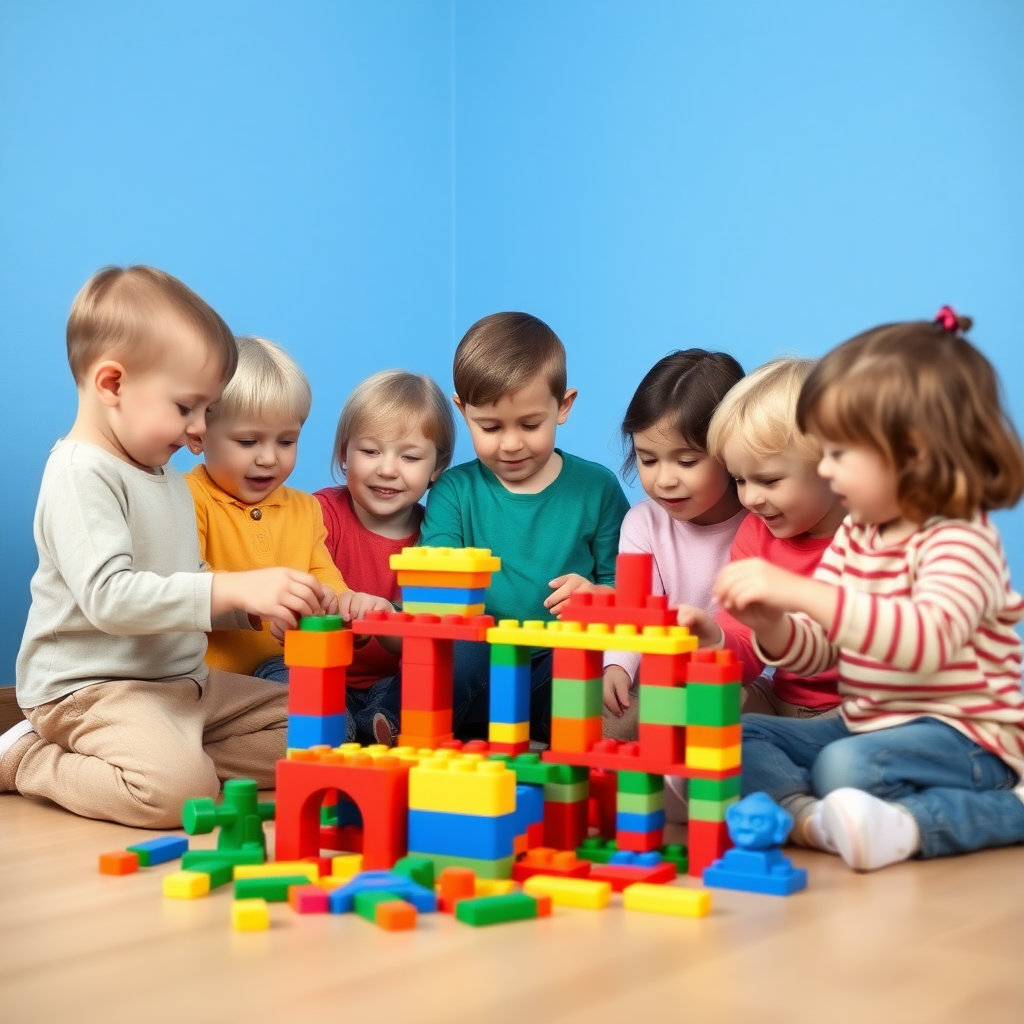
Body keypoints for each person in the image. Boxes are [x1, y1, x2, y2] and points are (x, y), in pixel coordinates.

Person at [0, 266, 331, 827]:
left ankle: (172, 757)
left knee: (315, 729)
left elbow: (186, 573)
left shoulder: (163, 474)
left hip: (184, 684)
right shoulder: (81, 475)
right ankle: (26, 756)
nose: (200, 429)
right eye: (186, 408)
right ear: (113, 385)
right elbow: (110, 599)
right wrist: (231, 584)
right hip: (97, 689)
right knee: (178, 797)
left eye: (206, 410)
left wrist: (250, 609)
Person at [717, 309, 1024, 870]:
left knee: (846, 769)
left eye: (839, 455)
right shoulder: (860, 532)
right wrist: (772, 625)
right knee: (735, 735)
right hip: (868, 721)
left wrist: (800, 592)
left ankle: (979, 813)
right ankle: (814, 823)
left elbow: (924, 642)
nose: (827, 472)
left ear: (910, 454)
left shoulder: (959, 537)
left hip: (967, 735)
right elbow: (824, 646)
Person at [420, 312, 629, 741]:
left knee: (602, 688)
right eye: (490, 427)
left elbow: (626, 587)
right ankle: (412, 729)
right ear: (462, 411)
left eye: (530, 425)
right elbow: (436, 589)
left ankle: (550, 733)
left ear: (563, 407)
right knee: (450, 659)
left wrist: (598, 597)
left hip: (560, 661)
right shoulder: (453, 491)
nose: (511, 444)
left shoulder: (597, 488)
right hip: (483, 660)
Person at [185, 336, 391, 686]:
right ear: (198, 436)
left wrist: (345, 610)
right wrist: (261, 601)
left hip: (293, 668)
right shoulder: (188, 498)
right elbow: (183, 591)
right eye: (248, 441)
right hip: (213, 683)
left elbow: (325, 579)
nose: (269, 458)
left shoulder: (305, 509)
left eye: (286, 441)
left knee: (337, 721)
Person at [678, 358, 846, 718]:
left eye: (769, 481)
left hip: (857, 710)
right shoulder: (754, 535)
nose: (750, 499)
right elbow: (747, 651)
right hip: (781, 703)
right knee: (709, 702)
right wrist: (717, 641)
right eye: (739, 480)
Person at [601, 350, 748, 739]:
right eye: (648, 460)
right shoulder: (643, 523)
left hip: (733, 682)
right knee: (601, 720)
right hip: (659, 688)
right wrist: (616, 665)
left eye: (686, 462)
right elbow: (634, 612)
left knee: (733, 715)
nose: (664, 480)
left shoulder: (760, 523)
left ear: (731, 451)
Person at [315, 370, 457, 746]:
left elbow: (428, 636)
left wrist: (385, 618)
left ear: (436, 468)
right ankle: (349, 731)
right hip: (321, 675)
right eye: (370, 451)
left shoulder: (437, 539)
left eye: (409, 457)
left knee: (436, 688)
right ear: (344, 452)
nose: (388, 469)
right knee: (282, 683)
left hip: (389, 683)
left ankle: (378, 727)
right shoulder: (319, 515)